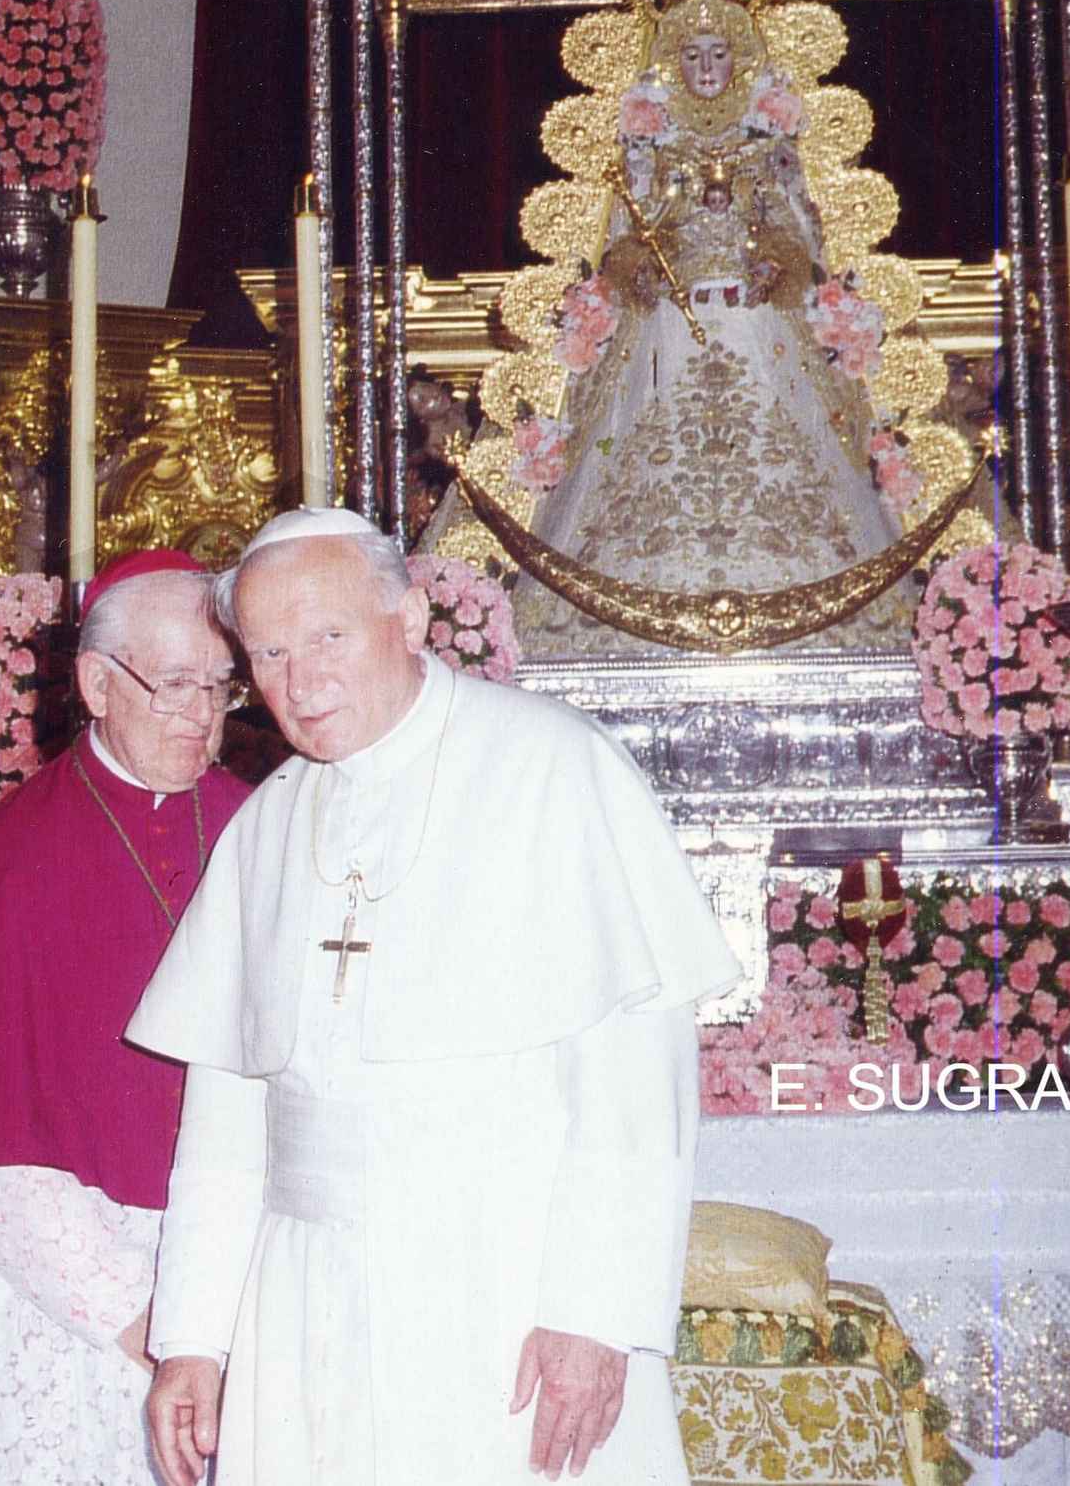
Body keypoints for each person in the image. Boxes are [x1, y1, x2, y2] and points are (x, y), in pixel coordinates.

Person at [133, 507, 741, 1486]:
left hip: (501, 1287)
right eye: (270, 653)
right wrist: (193, 1336)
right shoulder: (268, 824)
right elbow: (227, 1108)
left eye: (328, 635)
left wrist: (594, 1311)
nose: (301, 680)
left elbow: (634, 1079)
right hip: (303, 1295)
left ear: (409, 618)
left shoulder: (553, 767)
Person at [0, 550, 251, 1486]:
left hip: (238, 1302)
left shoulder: (260, 827)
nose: (199, 715)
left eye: (218, 685)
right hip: (70, 1331)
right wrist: (164, 1333)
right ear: (94, 683)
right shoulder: (15, 861)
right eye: (171, 685)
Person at [509, 0, 913, 659]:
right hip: (668, 331)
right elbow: (623, 240)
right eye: (691, 55)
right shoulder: (653, 145)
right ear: (673, 61)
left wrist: (775, 264)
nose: (704, 69)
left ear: (740, 59)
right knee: (628, 452)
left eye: (717, 54)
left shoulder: (765, 142)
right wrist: (637, 264)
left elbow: (802, 236)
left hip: (759, 330)